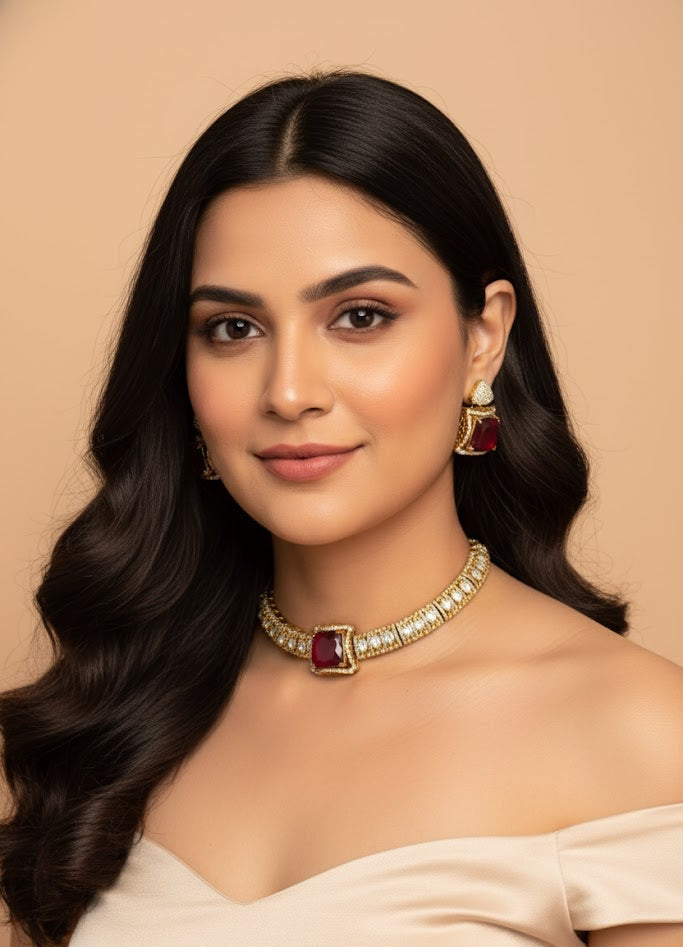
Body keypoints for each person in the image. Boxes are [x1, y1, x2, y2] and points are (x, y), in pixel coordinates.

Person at [1, 67, 682, 947]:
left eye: (359, 316)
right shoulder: (101, 719)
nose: (288, 391)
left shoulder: (639, 736)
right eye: (233, 329)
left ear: (484, 337)